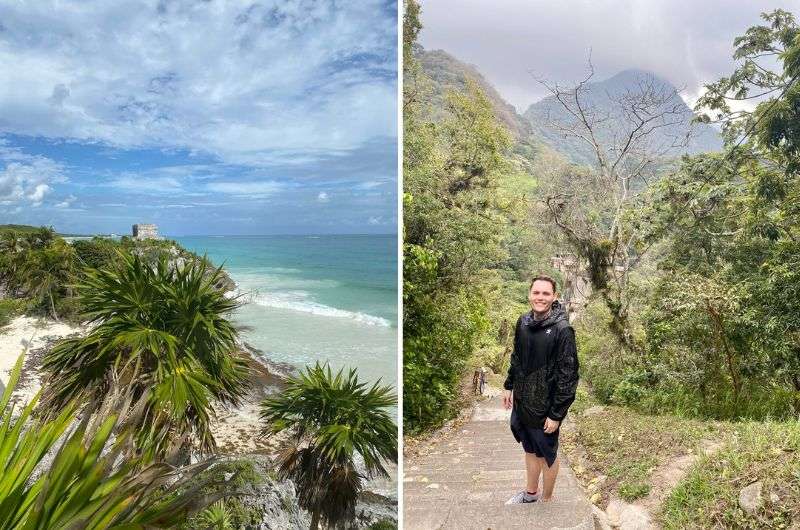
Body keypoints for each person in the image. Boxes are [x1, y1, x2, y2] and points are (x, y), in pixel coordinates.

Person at [502, 275, 579, 504]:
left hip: (546, 407)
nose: (540, 297)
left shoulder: (562, 330)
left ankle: (546, 501)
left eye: (546, 293)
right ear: (529, 294)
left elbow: (569, 375)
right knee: (529, 449)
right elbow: (517, 356)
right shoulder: (523, 322)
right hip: (523, 401)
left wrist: (556, 414)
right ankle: (530, 494)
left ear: (554, 297)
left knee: (546, 455)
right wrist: (508, 385)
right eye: (536, 293)